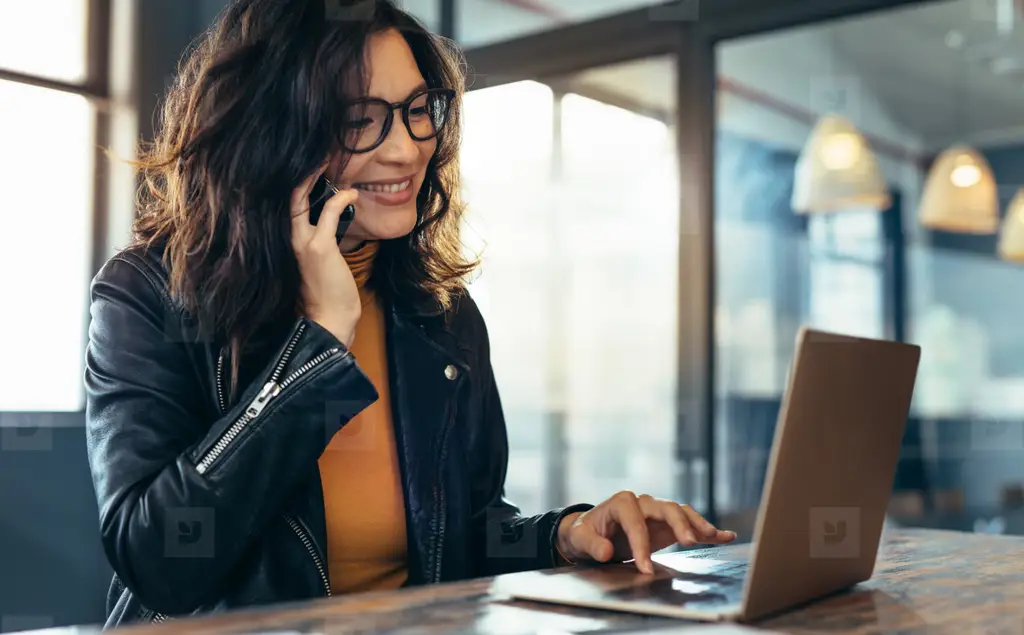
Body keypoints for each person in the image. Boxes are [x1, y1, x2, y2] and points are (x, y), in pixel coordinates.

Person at [83, 0, 735, 628]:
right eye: (362, 118)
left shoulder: (441, 314)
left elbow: (463, 532)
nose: (407, 149)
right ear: (272, 131)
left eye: (419, 109)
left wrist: (566, 534)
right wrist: (318, 341)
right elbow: (162, 559)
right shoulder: (148, 294)